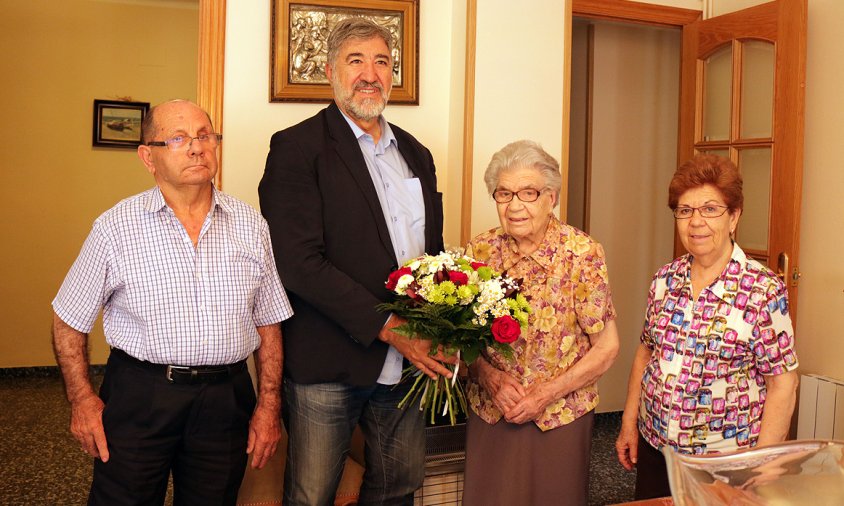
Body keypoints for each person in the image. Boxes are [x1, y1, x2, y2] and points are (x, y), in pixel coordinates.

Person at [52, 99, 293, 505]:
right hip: (140, 395)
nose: (197, 147)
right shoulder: (115, 228)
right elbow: (68, 320)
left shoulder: (251, 226)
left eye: (205, 136)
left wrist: (269, 405)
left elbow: (269, 322)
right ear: (149, 156)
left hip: (225, 399)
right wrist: (82, 401)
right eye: (179, 138)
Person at [258, 17, 451, 506]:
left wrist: (438, 325)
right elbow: (298, 262)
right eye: (356, 60)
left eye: (382, 61)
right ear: (331, 72)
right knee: (312, 493)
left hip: (408, 361)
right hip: (330, 361)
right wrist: (387, 324)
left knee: (398, 485)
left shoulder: (417, 154)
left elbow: (430, 252)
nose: (371, 73)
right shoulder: (296, 149)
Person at [615, 154, 800, 500]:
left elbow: (783, 383)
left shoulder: (762, 290)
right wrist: (629, 422)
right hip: (659, 450)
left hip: (725, 461)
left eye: (710, 209)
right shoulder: (664, 280)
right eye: (685, 211)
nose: (696, 222)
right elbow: (646, 352)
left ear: (734, 217)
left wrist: (760, 467)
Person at [462, 140, 621, 505]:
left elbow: (607, 347)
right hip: (492, 408)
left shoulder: (581, 253)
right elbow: (460, 339)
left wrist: (546, 394)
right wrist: (489, 377)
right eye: (504, 193)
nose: (515, 205)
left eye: (528, 193)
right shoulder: (480, 251)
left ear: (551, 197)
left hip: (560, 414)